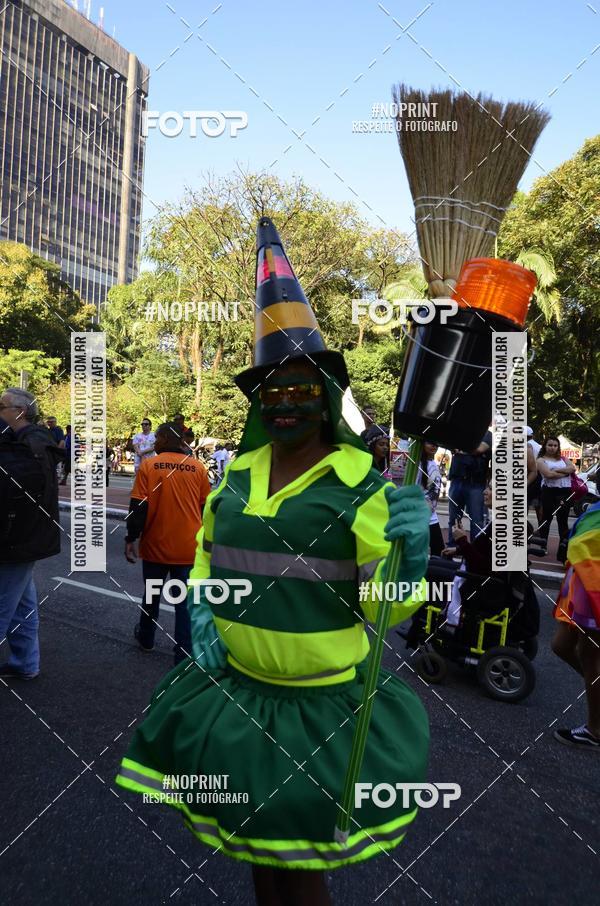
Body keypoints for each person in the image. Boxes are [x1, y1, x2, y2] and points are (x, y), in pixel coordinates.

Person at [116, 217, 431, 906]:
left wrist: (413, 552)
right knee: (262, 859)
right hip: (236, 696)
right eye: (273, 391)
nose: (286, 401)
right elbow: (207, 559)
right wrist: (202, 615)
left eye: (301, 389)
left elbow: (389, 607)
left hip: (317, 711)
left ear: (326, 399)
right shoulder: (235, 475)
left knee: (297, 872)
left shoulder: (361, 486)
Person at [125, 422, 211, 665]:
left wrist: (130, 538)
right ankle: (182, 655)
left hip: (155, 547)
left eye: (157, 438)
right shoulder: (198, 467)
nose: (154, 442)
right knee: (184, 603)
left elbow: (139, 507)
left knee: (151, 595)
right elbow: (206, 509)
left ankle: (146, 638)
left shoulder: (150, 466)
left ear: (163, 438)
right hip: (189, 548)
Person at [0, 388, 63, 679]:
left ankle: (25, 663)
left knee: (3, 606)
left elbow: (13, 494)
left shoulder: (27, 446)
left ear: (19, 411)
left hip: (16, 541)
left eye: (2, 405)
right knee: (22, 606)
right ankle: (26, 663)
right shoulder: (31, 441)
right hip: (25, 539)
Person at [552, 501, 600, 748]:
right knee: (562, 645)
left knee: (589, 654)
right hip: (583, 578)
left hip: (595, 580)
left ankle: (595, 730)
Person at [447, 429, 492, 544]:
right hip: (457, 479)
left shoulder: (487, 434)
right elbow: (450, 444)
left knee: (476, 521)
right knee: (454, 519)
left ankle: (475, 552)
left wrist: (461, 449)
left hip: (475, 483)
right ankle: (451, 549)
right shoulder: (460, 431)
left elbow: (479, 449)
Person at [536, 436, 576, 555]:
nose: (552, 448)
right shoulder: (540, 460)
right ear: (545, 446)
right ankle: (543, 547)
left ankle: (563, 552)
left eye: (555, 445)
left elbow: (572, 468)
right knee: (546, 519)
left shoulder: (563, 458)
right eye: (550, 445)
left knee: (563, 521)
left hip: (565, 492)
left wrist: (556, 472)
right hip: (549, 492)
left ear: (558, 447)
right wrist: (564, 473)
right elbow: (548, 474)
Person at [422, 442, 444, 556]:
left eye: (436, 444)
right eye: (430, 443)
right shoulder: (418, 465)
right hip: (420, 517)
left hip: (432, 516)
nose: (434, 446)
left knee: (439, 552)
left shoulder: (432, 463)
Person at [526, 427, 542, 526]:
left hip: (529, 475)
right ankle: (541, 529)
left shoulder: (527, 446)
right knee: (538, 505)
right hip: (539, 477)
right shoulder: (539, 446)